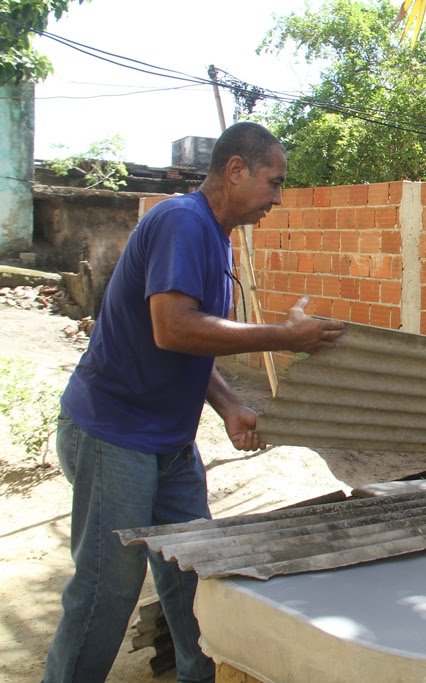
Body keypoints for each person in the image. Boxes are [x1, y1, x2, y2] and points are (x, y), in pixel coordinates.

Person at [43, 121, 345, 683]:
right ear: (235, 170)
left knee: (195, 578)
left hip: (168, 440)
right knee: (106, 592)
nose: (277, 199)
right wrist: (284, 336)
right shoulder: (181, 222)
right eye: (273, 183)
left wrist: (229, 403)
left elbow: (193, 344)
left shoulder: (214, 235)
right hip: (114, 433)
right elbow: (173, 329)